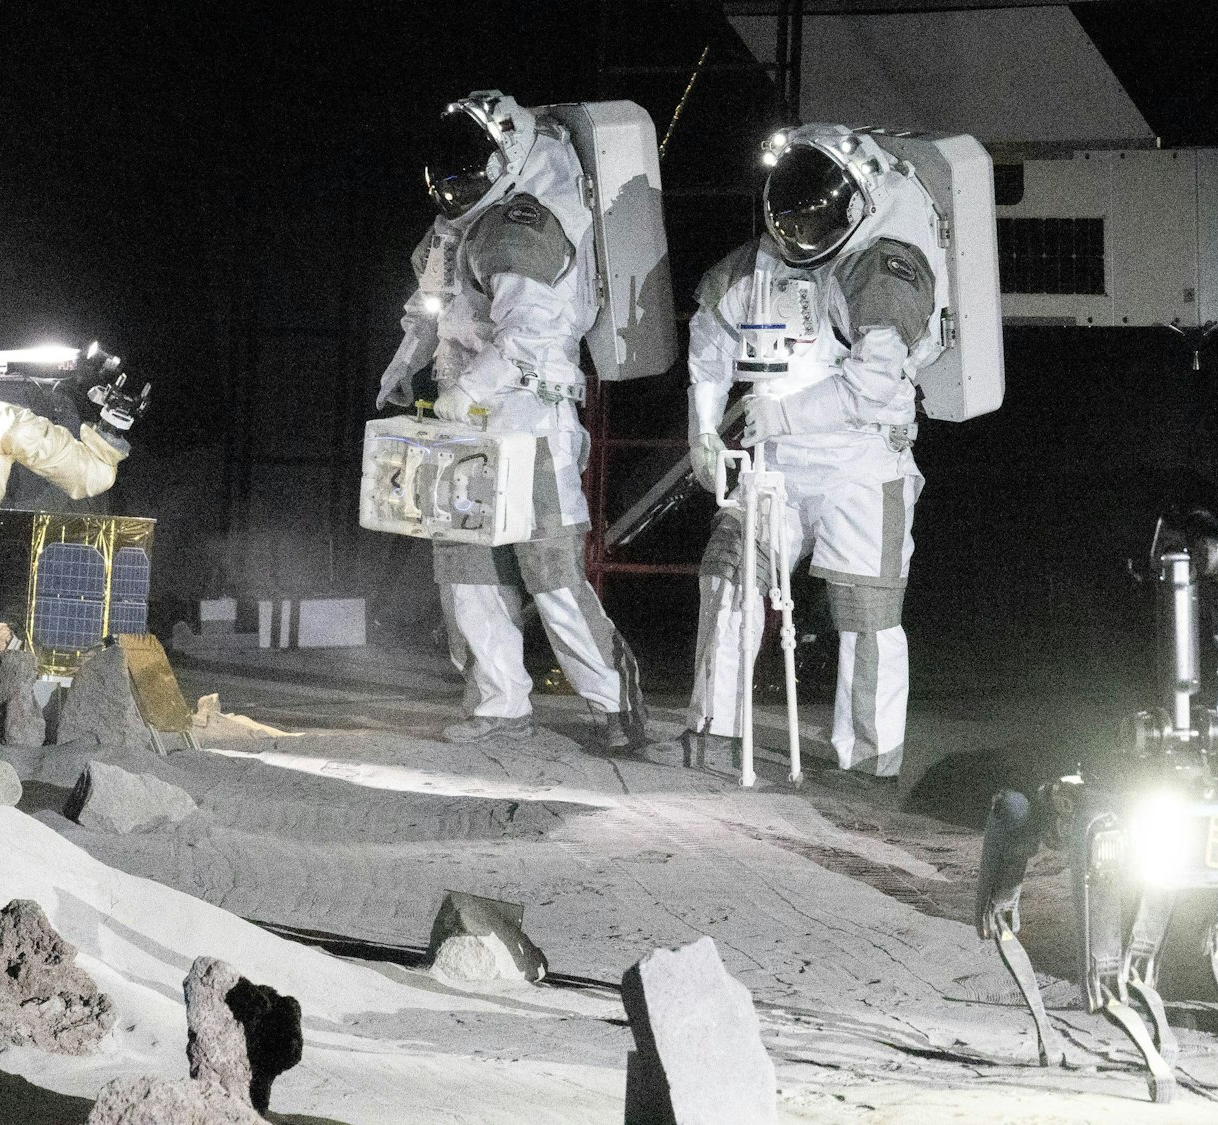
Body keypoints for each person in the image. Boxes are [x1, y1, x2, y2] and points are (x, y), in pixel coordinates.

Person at [375, 90, 645, 750]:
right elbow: (430, 309)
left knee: (550, 572)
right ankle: (498, 704)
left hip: (529, 418)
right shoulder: (457, 226)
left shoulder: (524, 223)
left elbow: (528, 337)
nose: (453, 183)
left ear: (508, 157)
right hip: (465, 417)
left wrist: (468, 391)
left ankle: (616, 702)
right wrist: (404, 365)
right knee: (465, 571)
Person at [682, 124, 950, 779]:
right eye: (792, 223)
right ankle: (714, 729)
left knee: (865, 614)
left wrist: (781, 412)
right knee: (727, 575)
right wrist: (703, 433)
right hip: (775, 463)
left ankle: (869, 760)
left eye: (816, 222)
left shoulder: (885, 269)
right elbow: (710, 348)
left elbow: (869, 386)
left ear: (857, 206)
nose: (802, 235)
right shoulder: (755, 267)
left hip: (861, 462)